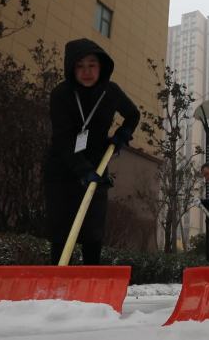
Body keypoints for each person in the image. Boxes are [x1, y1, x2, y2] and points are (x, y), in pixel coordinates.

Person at [44, 38, 139, 265]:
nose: (86, 71)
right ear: (71, 68)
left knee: (93, 231)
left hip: (97, 165)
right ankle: (57, 280)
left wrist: (122, 134)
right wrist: (82, 170)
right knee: (62, 229)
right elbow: (63, 140)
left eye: (92, 64)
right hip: (62, 168)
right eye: (80, 66)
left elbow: (133, 114)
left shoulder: (110, 91)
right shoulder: (61, 95)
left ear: (101, 66)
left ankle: (90, 279)